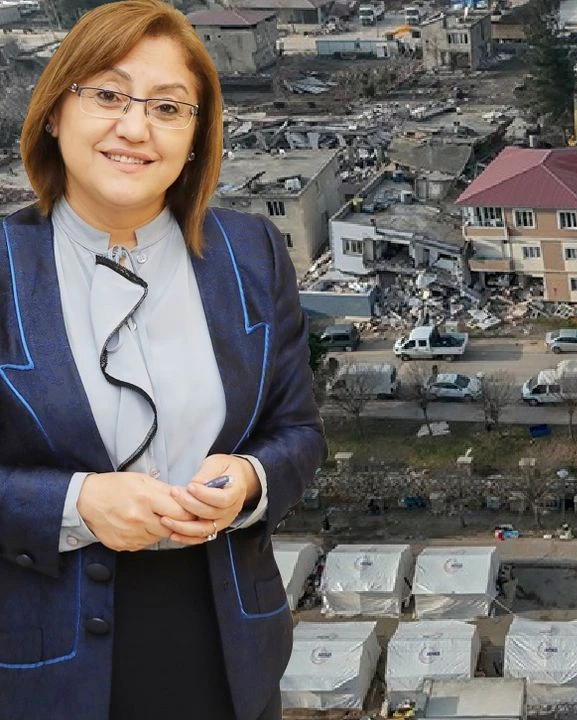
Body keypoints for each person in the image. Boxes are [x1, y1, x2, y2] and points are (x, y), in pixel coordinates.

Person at [0, 2, 326, 718]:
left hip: (228, 639)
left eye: (169, 108)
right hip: (45, 655)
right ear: (56, 112)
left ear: (195, 137)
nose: (135, 128)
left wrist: (247, 479)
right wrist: (74, 504)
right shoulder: (6, 266)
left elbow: (297, 432)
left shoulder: (251, 253)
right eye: (109, 95)